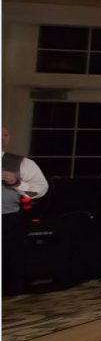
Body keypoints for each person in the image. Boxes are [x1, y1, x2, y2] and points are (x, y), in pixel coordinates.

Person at [2, 127, 49, 297]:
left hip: (7, 219)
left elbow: (40, 190)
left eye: (4, 134)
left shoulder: (21, 163)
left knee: (10, 258)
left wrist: (17, 184)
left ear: (7, 138)